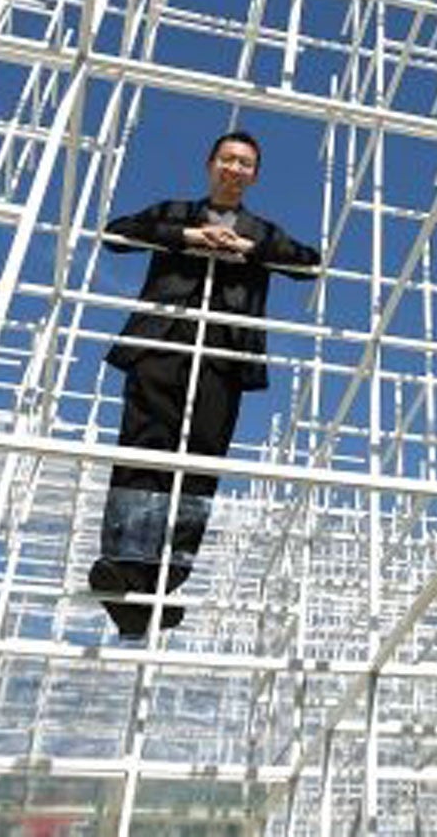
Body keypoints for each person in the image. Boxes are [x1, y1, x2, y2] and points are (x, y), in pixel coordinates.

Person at [88, 129, 320, 636]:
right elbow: (117, 233)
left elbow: (310, 264)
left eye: (245, 164)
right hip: (162, 342)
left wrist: (249, 249)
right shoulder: (176, 212)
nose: (235, 169)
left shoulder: (262, 231)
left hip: (223, 355)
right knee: (143, 450)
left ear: (254, 176)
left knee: (200, 463)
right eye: (227, 159)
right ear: (210, 164)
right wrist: (190, 237)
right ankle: (122, 564)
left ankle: (164, 579)